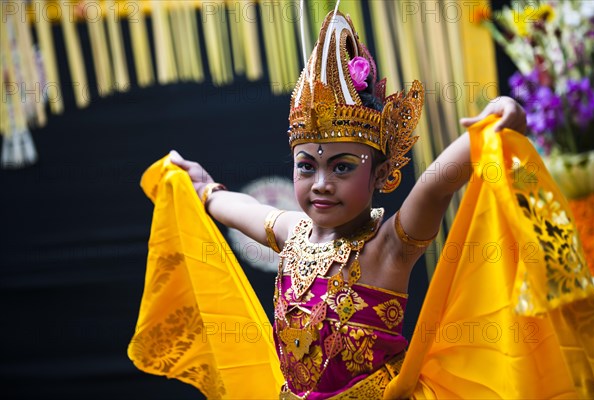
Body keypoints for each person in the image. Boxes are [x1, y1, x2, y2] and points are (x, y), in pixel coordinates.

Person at [166, 10, 529, 399]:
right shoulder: (293, 233)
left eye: (342, 167)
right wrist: (205, 189)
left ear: (380, 174)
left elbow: (435, 186)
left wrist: (496, 121)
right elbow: (241, 210)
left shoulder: (389, 248)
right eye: (307, 166)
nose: (321, 184)